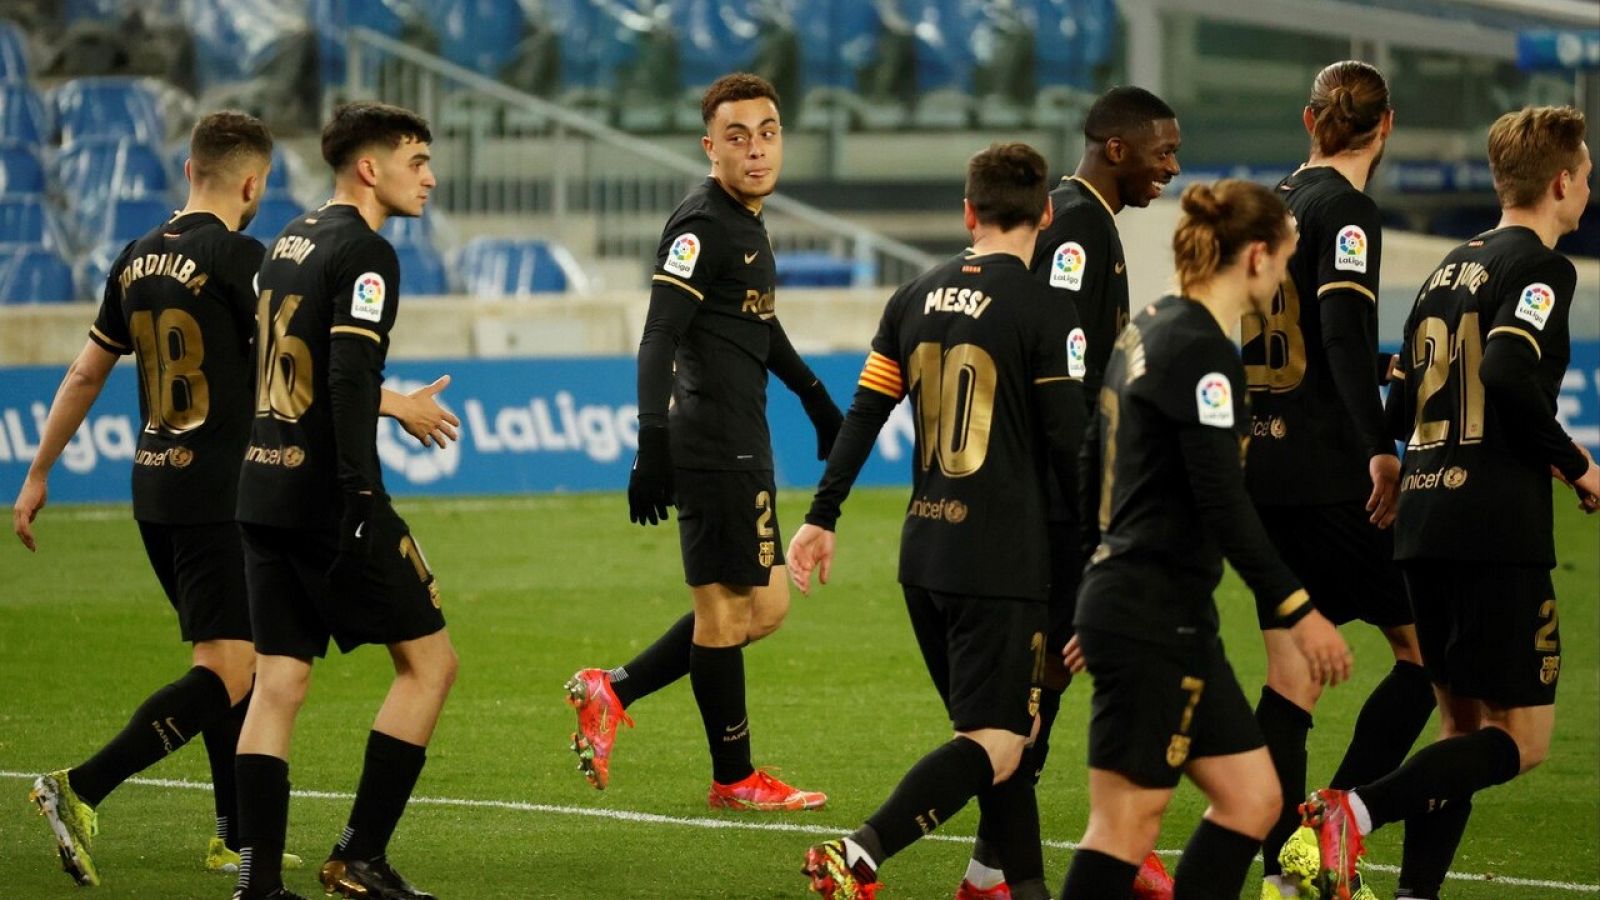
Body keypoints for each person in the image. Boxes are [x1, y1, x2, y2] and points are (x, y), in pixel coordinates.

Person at [14, 112, 452, 889]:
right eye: (416, 160)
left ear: (188, 170)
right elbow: (318, 367)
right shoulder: (269, 255)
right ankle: (86, 786)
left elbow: (85, 373)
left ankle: (239, 847)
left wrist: (39, 470)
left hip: (173, 481)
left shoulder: (160, 254)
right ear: (252, 182)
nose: (428, 175)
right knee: (262, 670)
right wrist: (385, 432)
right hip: (243, 482)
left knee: (247, 669)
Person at [1301, 105, 1598, 900]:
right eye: (1587, 174)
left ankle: (1414, 893)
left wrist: (1395, 465)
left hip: (1425, 522)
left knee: (1458, 727)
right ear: (1562, 181)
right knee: (1522, 739)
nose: (1588, 188)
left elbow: (1402, 385)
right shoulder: (1540, 267)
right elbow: (1503, 371)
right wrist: (1577, 464)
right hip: (1493, 526)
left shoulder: (1446, 272)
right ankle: (1350, 814)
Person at [789, 141, 1084, 900]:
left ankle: (1024, 889)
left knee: (1004, 743)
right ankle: (863, 850)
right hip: (1003, 563)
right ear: (1046, 214)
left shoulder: (914, 294)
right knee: (996, 739)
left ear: (968, 212)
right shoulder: (1046, 307)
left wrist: (822, 515)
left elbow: (865, 412)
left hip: (925, 554)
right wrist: (1096, 570)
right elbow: (1070, 452)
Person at [1059, 179, 1353, 900]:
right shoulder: (1203, 354)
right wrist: (1298, 609)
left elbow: (1089, 463)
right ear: (1256, 256)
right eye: (1283, 260)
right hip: (1150, 612)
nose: (1283, 276)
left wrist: (1094, 585)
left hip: (1164, 612)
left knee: (1255, 798)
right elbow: (1224, 504)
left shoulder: (1148, 327)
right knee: (1124, 827)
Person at [563, 72, 841, 811]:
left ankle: (612, 689)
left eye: (769, 132)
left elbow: (755, 320)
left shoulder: (745, 222)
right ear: (710, 146)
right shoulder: (703, 225)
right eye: (739, 136)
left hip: (742, 434)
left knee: (766, 605)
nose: (757, 149)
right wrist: (650, 439)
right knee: (724, 614)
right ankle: (735, 778)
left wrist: (813, 395)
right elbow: (658, 334)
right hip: (712, 439)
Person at [959, 83, 1183, 900]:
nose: (1174, 166)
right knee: (1080, 670)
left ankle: (995, 867)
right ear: (1116, 147)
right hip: (1063, 499)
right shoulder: (1078, 227)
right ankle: (1117, 846)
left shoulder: (1088, 222)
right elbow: (1054, 371)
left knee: (1050, 683)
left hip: (1060, 495)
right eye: (1164, 150)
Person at [230, 101, 458, 900]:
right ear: (371, 167)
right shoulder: (367, 253)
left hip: (259, 486)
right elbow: (348, 378)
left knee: (280, 683)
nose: (429, 176)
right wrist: (363, 490)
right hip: (330, 498)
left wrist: (389, 407)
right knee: (430, 664)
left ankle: (257, 885)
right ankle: (360, 855)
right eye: (417, 159)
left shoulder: (288, 238)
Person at [1241, 61, 1435, 900]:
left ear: (1308, 120)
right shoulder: (1347, 211)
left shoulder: (1275, 202)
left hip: (1261, 468)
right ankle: (1333, 818)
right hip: (1329, 475)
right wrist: (1381, 450)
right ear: (1384, 127)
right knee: (1428, 655)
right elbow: (1344, 334)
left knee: (1291, 673)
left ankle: (1288, 867)